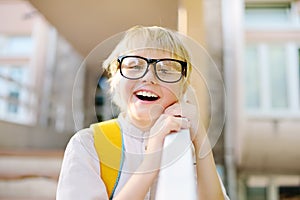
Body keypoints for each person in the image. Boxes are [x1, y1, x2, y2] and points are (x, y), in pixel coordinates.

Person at [57, 25, 230, 200]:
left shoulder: (187, 148)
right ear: (116, 78)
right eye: (134, 66)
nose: (148, 77)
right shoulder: (88, 145)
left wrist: (200, 136)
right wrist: (151, 162)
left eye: (165, 69)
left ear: (183, 88)